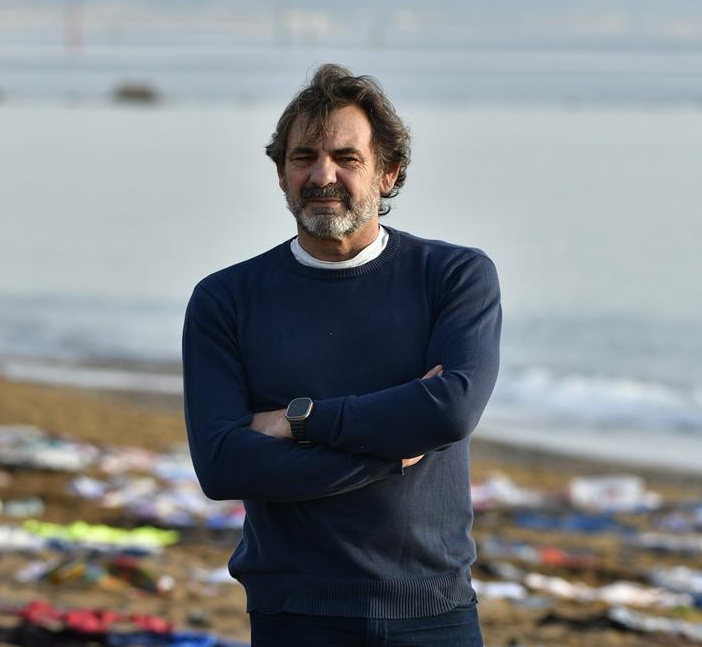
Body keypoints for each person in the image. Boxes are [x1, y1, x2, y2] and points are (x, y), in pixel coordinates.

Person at [182, 64, 502, 646]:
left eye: (346, 158)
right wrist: (390, 450)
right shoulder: (225, 300)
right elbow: (222, 465)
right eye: (303, 157)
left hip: (433, 611)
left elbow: (450, 412)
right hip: (293, 613)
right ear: (281, 174)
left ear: (388, 172)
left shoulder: (454, 277)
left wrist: (299, 421)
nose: (322, 175)